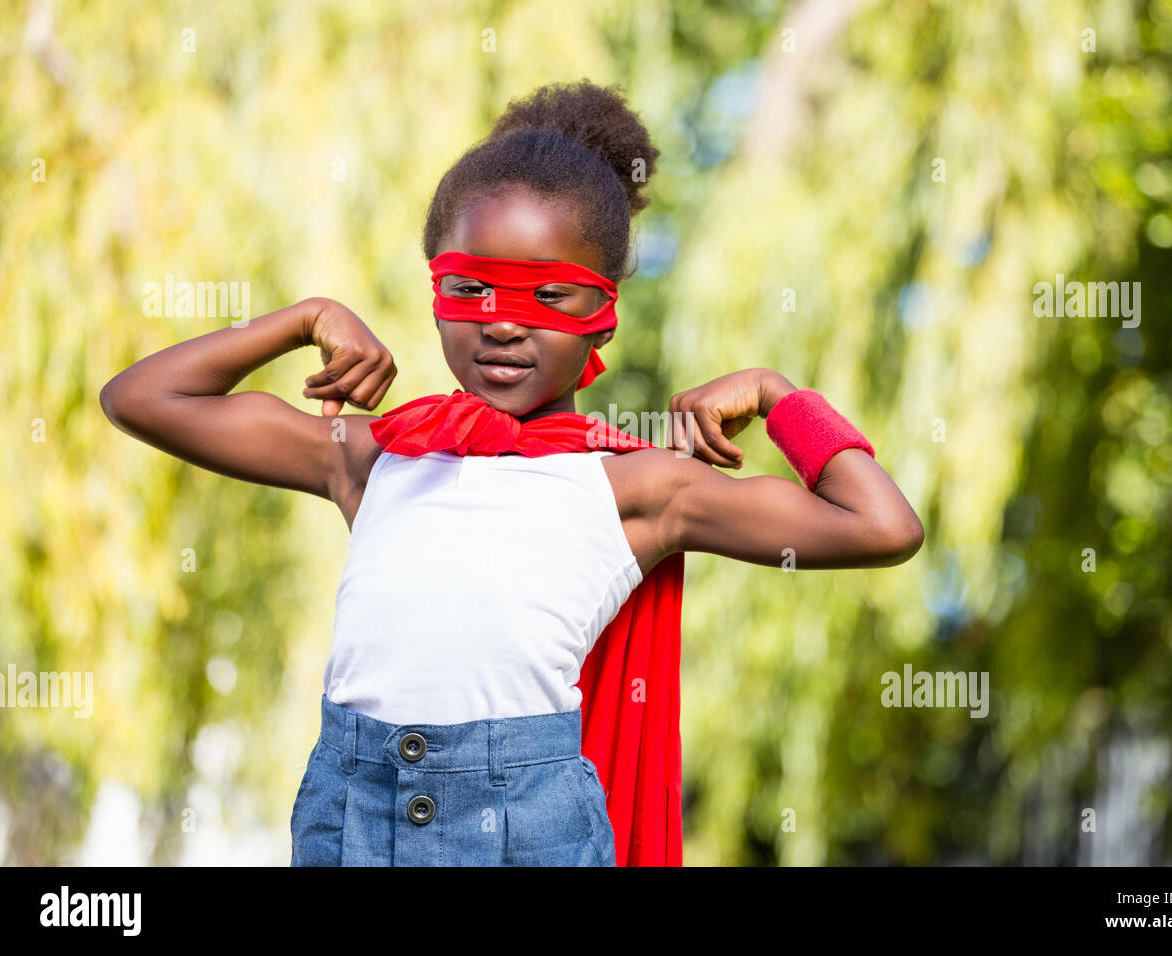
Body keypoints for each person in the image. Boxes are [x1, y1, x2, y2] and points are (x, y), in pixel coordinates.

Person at [99, 79, 924, 866]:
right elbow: (143, 397)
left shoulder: (639, 488)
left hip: (525, 826)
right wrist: (304, 317)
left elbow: (880, 526)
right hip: (349, 812)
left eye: (550, 296)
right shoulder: (377, 455)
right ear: (434, 292)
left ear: (604, 320)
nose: (501, 325)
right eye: (471, 288)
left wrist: (778, 397)